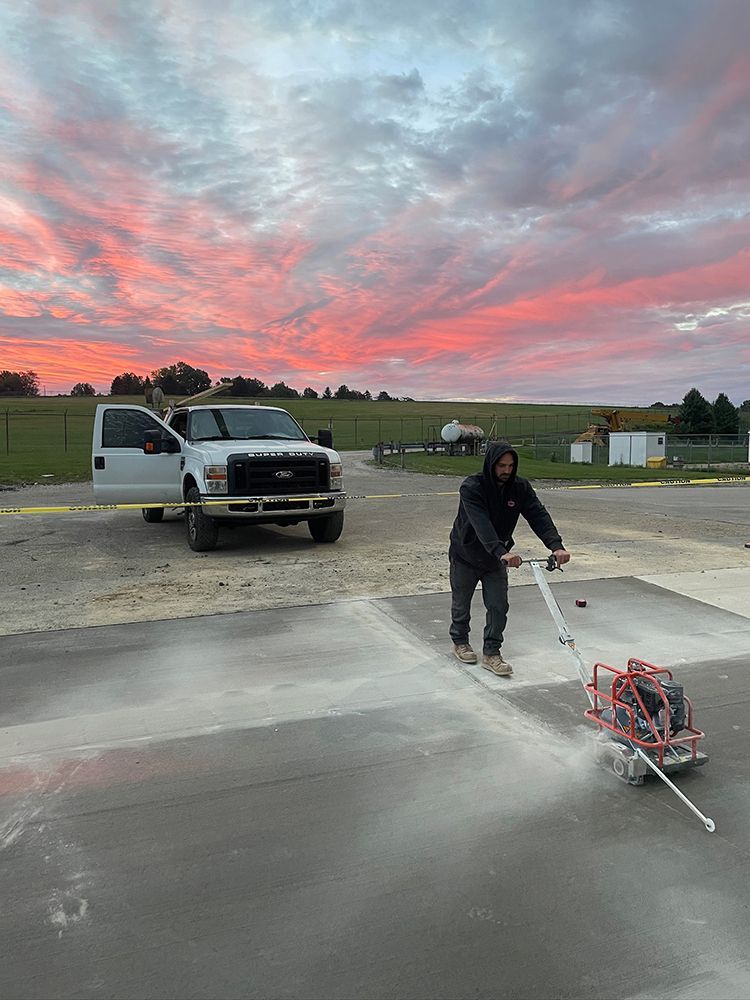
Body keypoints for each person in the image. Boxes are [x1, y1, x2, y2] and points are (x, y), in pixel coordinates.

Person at [449, 440, 570, 677]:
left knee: (498, 605)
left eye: (510, 466)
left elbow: (538, 515)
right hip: (466, 554)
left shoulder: (520, 488)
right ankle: (460, 641)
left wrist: (556, 546)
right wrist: (501, 551)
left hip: (496, 559)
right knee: (461, 602)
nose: (506, 470)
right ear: (491, 464)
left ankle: (492, 653)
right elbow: (481, 523)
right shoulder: (472, 487)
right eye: (501, 466)